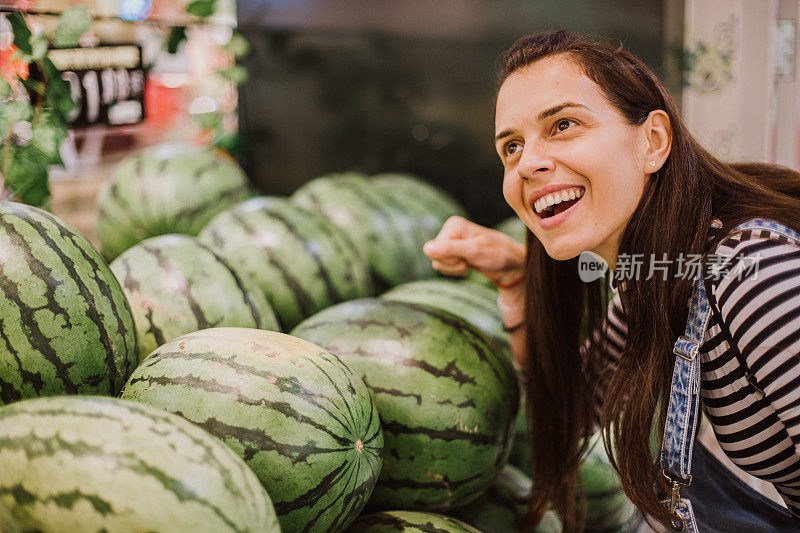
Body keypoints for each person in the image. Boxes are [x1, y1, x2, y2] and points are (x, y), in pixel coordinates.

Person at [423, 29, 800, 532]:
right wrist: (516, 283)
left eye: (563, 124)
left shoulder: (751, 271)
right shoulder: (663, 272)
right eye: (511, 147)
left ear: (653, 142)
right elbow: (574, 407)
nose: (529, 162)